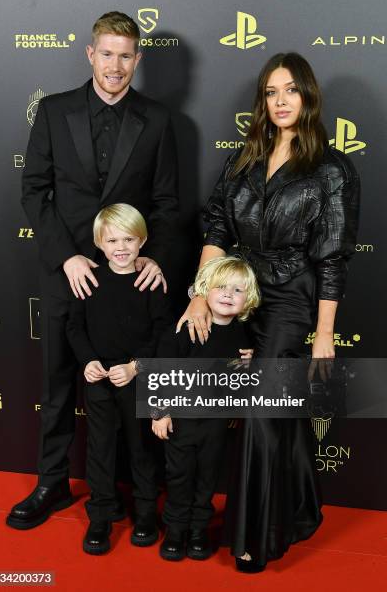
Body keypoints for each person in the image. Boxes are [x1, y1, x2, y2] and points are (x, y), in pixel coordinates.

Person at [177, 52, 360, 572]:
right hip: (241, 294)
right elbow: (216, 225)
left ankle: (255, 537)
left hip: (293, 301)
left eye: (290, 91)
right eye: (271, 92)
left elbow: (332, 257)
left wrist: (324, 332)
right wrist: (198, 292)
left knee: (260, 409)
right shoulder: (245, 157)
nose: (280, 102)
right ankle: (298, 509)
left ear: (308, 96)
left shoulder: (332, 168)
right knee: (282, 412)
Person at [7, 11, 178, 537]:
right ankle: (52, 481)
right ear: (90, 54)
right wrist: (67, 257)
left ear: (138, 59)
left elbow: (168, 204)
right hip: (68, 272)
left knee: (129, 387)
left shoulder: (159, 119)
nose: (115, 65)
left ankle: (129, 495)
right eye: (107, 53)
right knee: (60, 380)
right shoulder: (55, 111)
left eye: (126, 55)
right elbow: (35, 190)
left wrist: (154, 257)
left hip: (128, 279)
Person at [66, 204, 173, 554]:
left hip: (137, 376)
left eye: (129, 238)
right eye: (112, 240)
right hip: (99, 378)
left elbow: (162, 333)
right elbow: (75, 327)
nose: (121, 247)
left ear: (142, 241)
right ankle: (100, 516)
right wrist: (88, 362)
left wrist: (135, 367)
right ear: (99, 242)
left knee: (141, 447)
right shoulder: (90, 280)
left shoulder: (150, 282)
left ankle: (145, 513)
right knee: (100, 449)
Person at [152, 256, 259, 561]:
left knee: (208, 478)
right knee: (179, 477)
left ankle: (199, 530)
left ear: (248, 299)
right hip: (181, 422)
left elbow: (240, 383)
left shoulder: (244, 338)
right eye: (221, 287)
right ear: (204, 290)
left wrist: (249, 368)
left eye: (237, 290)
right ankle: (175, 531)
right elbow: (160, 371)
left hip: (216, 424)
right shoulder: (187, 328)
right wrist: (159, 412)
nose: (228, 294)